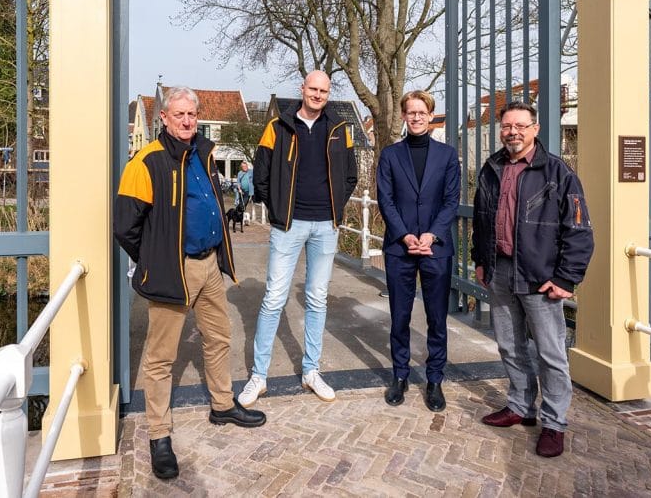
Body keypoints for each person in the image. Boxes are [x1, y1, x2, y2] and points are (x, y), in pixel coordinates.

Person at [114, 86, 266, 481]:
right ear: (163, 117)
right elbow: (124, 228)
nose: (186, 121)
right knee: (161, 357)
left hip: (210, 265)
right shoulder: (146, 162)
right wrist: (156, 261)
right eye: (178, 114)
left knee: (219, 337)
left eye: (191, 115)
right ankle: (159, 436)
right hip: (173, 270)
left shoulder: (204, 153)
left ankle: (221, 404)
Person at [471, 101, 593, 458]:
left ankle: (554, 423)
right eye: (507, 126)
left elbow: (580, 229)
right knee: (509, 345)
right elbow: (481, 219)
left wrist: (566, 278)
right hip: (500, 270)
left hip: (540, 277)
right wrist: (481, 260)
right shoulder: (491, 167)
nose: (513, 132)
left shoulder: (557, 172)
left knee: (551, 353)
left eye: (521, 126)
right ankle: (520, 406)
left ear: (535, 129)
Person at [238, 70, 358, 406]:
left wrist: (335, 207)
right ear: (302, 89)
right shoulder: (277, 127)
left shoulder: (339, 129)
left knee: (317, 298)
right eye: (313, 89)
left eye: (324, 90)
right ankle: (258, 376)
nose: (318, 95)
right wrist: (277, 210)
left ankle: (311, 371)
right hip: (288, 225)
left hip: (326, 226)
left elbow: (351, 175)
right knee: (274, 298)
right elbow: (261, 173)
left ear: (328, 93)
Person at [376, 90, 460, 411]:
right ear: (404, 116)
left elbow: (451, 200)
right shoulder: (390, 155)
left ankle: (435, 379)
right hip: (400, 248)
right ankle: (400, 375)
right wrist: (406, 236)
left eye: (421, 112)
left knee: (437, 317)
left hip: (436, 249)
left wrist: (432, 235)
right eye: (410, 112)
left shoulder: (447, 155)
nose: (416, 117)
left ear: (430, 115)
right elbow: (386, 200)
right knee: (400, 315)